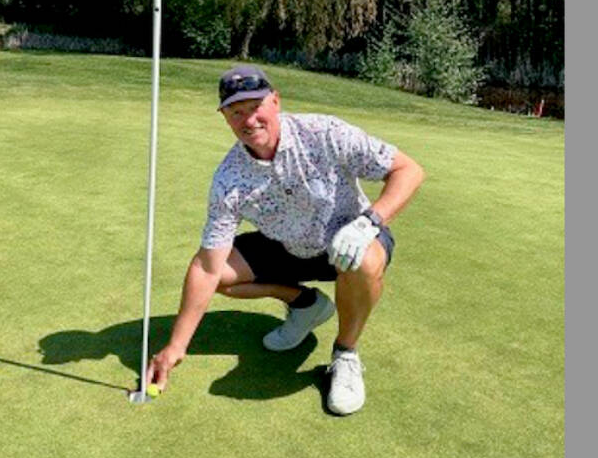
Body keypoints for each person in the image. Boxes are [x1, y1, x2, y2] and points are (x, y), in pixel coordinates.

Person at [145, 64, 425, 416]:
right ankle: (306, 305)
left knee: (364, 261)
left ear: (275, 101)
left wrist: (369, 223)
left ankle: (345, 354)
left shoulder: (324, 133)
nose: (248, 120)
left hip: (351, 238)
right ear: (225, 117)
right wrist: (175, 346)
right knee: (220, 276)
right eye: (236, 112)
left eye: (255, 106)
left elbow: (408, 170)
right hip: (288, 246)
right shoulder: (229, 179)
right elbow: (206, 266)